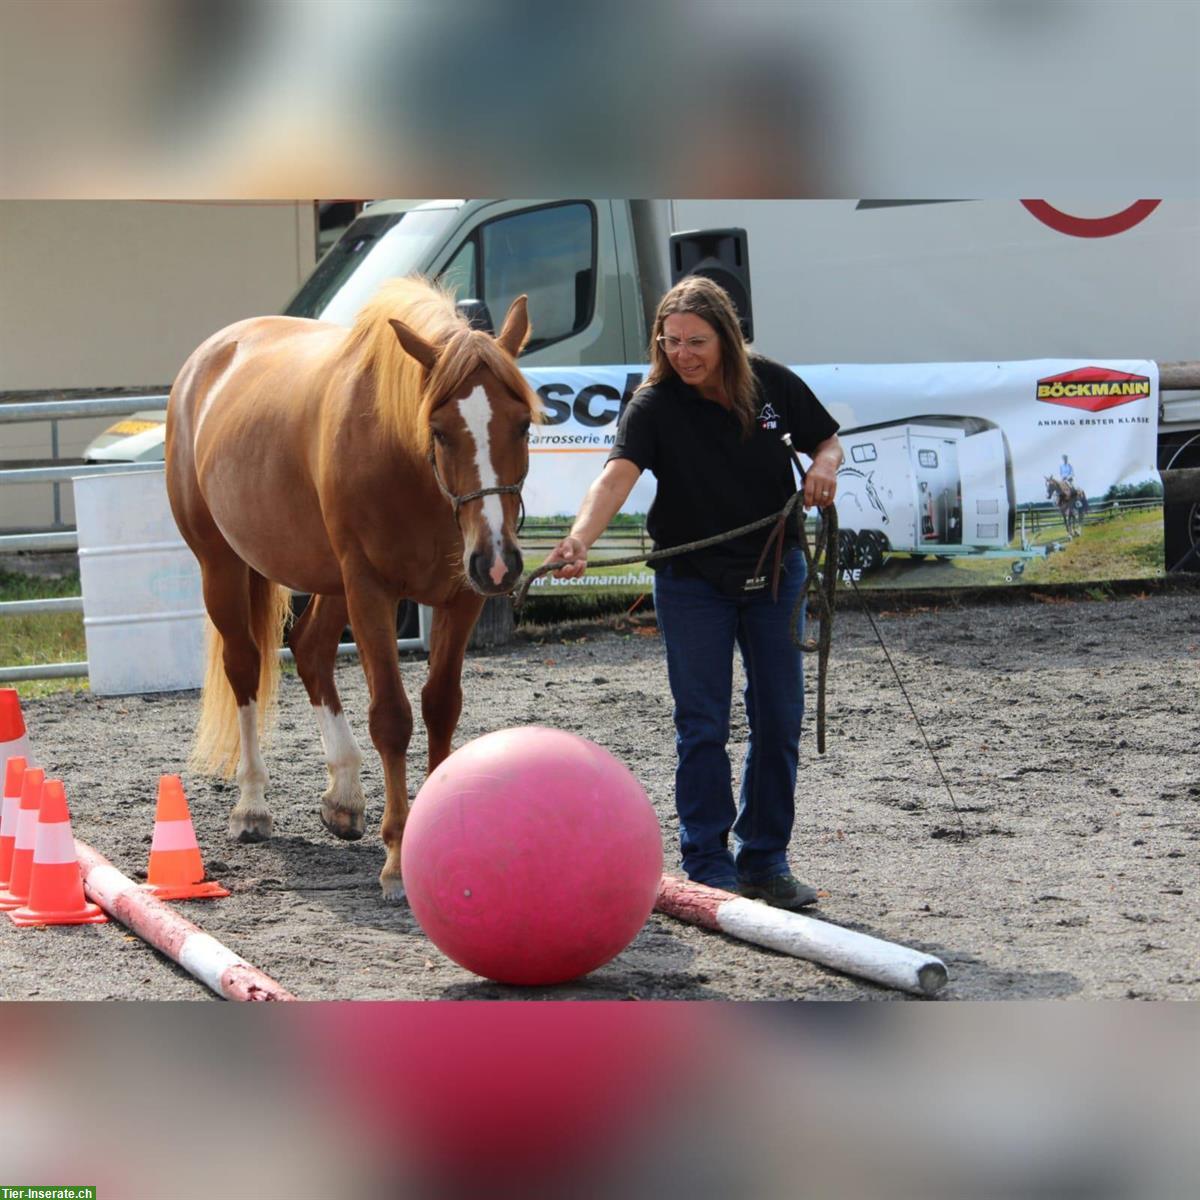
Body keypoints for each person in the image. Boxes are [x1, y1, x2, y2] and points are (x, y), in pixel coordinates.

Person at [546, 277, 843, 909]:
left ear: (727, 339)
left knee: (779, 717)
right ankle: (708, 860)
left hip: (775, 573)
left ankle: (765, 859)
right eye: (672, 340)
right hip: (692, 584)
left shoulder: (771, 384)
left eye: (697, 341)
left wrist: (823, 467)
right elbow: (614, 478)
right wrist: (579, 539)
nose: (683, 353)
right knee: (703, 723)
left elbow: (828, 439)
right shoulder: (653, 405)